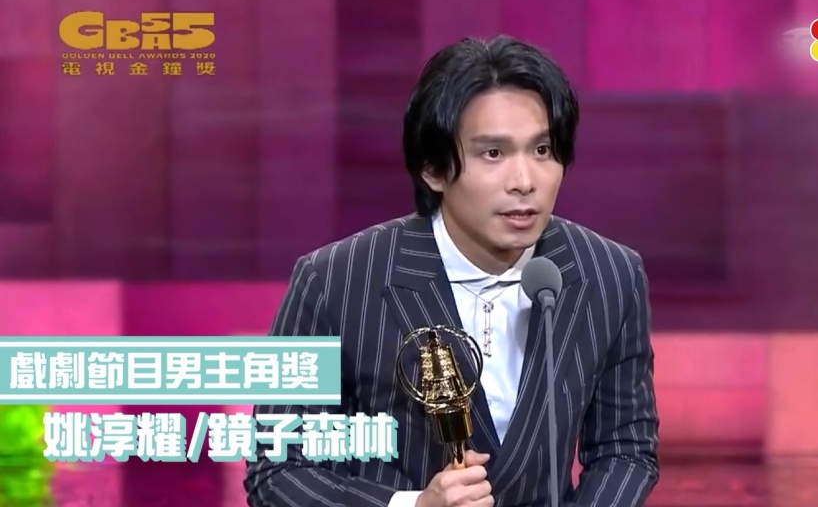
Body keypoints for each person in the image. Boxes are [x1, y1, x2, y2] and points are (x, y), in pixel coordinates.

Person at [244, 35, 659, 507]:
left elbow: (625, 451)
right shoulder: (334, 281)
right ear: (433, 169)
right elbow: (277, 471)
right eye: (493, 154)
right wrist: (413, 505)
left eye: (542, 150)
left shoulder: (610, 275)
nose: (525, 181)